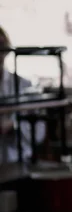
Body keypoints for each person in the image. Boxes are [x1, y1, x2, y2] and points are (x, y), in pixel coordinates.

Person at [0, 25, 46, 164]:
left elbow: (39, 133)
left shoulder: (24, 86)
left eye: (1, 46)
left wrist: (13, 126)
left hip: (17, 162)